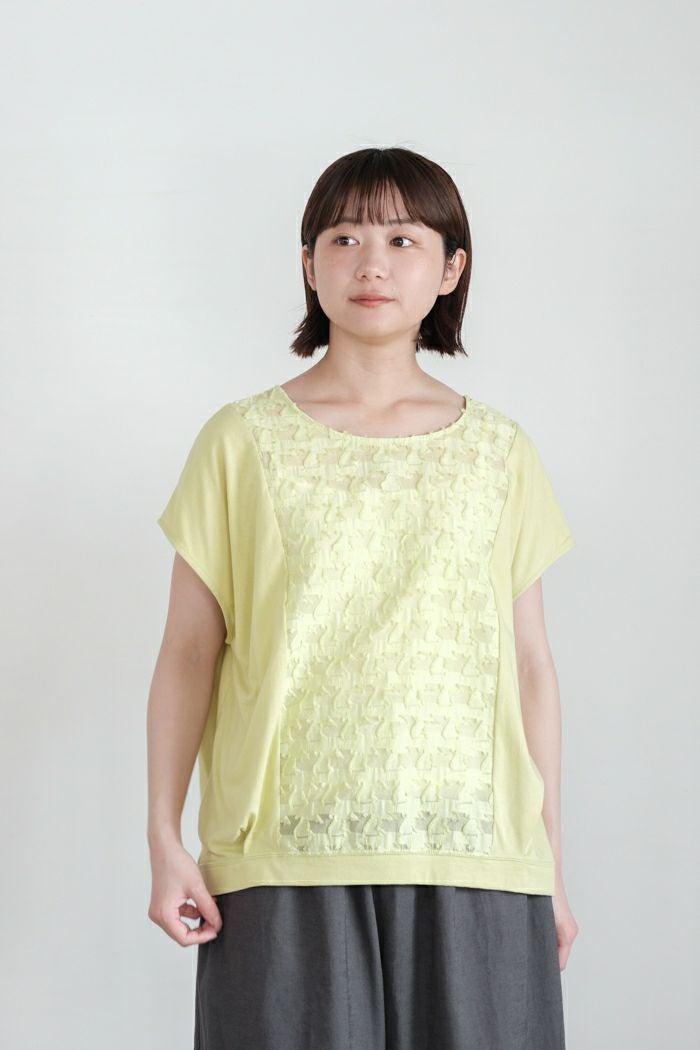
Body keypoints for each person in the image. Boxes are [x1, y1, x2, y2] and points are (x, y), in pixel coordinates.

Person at [147, 146, 580, 1049]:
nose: (372, 263)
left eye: (403, 239)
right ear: (310, 266)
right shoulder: (240, 442)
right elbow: (188, 651)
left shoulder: (500, 452)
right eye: (344, 238)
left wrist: (550, 863)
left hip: (475, 851)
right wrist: (164, 835)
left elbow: (531, 665)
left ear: (451, 268)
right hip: (282, 854)